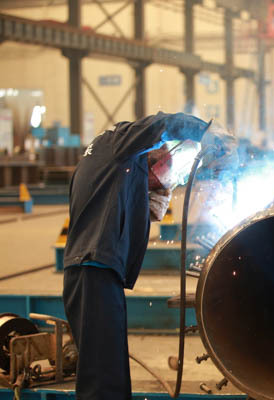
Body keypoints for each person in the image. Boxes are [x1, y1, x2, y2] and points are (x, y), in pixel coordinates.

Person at [62, 112, 234, 400]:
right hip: (93, 271)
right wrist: (206, 132)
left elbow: (144, 209)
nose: (163, 184)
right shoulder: (117, 144)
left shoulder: (115, 168)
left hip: (99, 273)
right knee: (102, 382)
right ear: (154, 154)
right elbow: (163, 124)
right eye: (163, 176)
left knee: (111, 371)